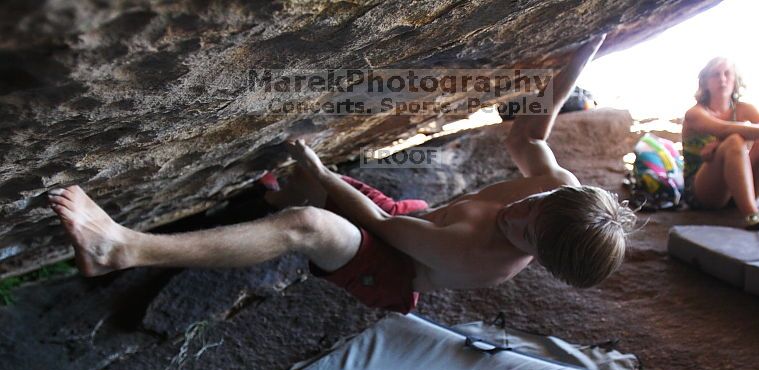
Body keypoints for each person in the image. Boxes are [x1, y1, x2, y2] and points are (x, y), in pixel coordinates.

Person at [47, 34, 634, 314]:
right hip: (413, 222)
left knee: (307, 222)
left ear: (536, 257)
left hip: (392, 265)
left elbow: (374, 223)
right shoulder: (559, 196)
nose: (519, 212)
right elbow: (526, 135)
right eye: (536, 204)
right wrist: (578, 62)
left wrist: (326, 177)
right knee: (284, 190)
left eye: (526, 231)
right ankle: (271, 204)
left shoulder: (475, 255)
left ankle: (123, 249)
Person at [682, 57, 759, 231]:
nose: (722, 79)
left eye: (727, 74)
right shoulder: (696, 113)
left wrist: (721, 142)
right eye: (715, 74)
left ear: (735, 80)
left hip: (737, 190)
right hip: (704, 192)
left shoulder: (744, 109)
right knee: (734, 141)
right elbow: (724, 130)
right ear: (705, 82)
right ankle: (752, 214)